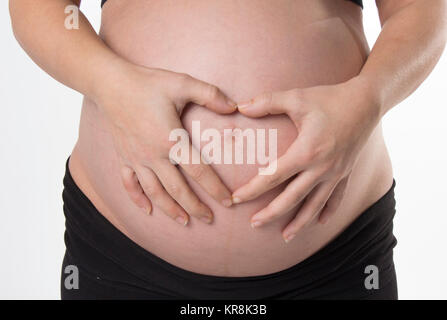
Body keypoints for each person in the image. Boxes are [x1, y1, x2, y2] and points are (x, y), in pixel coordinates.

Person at [9, 0, 447, 299]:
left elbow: (418, 9)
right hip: (123, 254)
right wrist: (109, 83)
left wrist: (367, 98)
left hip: (333, 260)